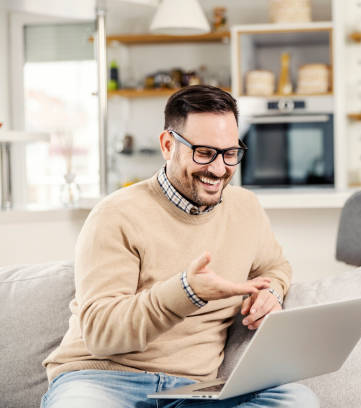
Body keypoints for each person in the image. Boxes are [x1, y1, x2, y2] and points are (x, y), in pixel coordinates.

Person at [41, 85, 319, 408]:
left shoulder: (246, 209)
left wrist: (272, 292)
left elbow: (275, 266)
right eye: (204, 152)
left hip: (194, 390)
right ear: (168, 144)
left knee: (298, 400)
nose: (219, 169)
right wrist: (187, 291)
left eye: (230, 153)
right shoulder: (115, 215)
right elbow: (101, 333)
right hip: (102, 380)